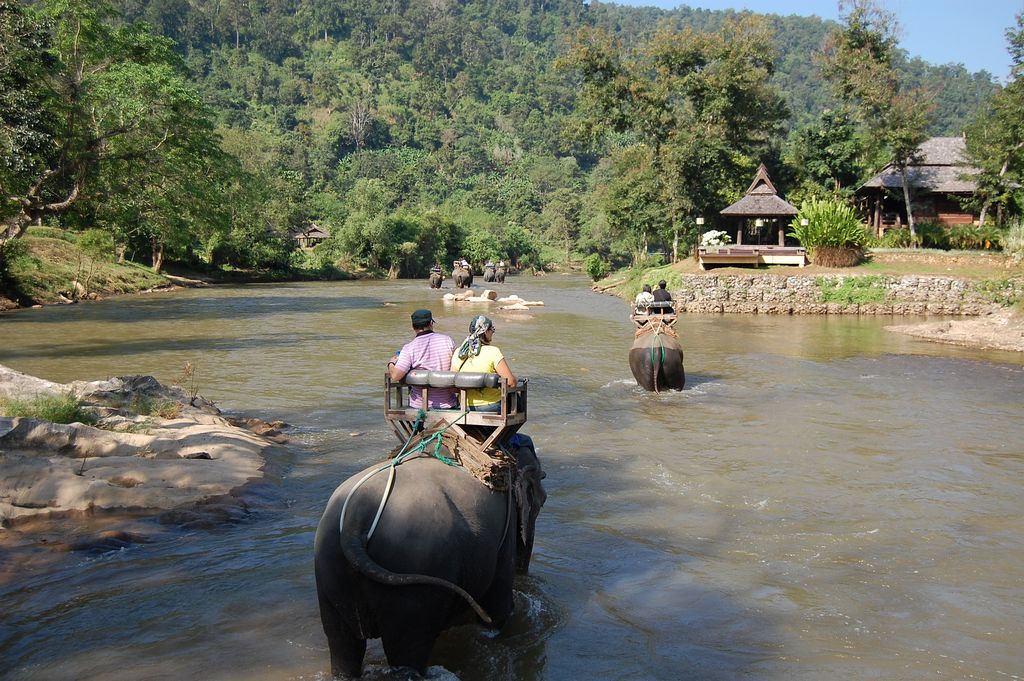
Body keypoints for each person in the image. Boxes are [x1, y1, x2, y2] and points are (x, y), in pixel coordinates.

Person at [388, 309, 456, 409]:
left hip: (419, 406)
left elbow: (395, 376)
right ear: (431, 323)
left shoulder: (409, 348)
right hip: (448, 404)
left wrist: (391, 363)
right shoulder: (448, 341)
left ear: (413, 327)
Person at [451, 315, 516, 412]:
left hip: (464, 406)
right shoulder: (493, 352)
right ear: (486, 332)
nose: (492, 333)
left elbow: (452, 385)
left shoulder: (459, 352)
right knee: (516, 397)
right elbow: (511, 383)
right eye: (492, 330)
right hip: (491, 406)